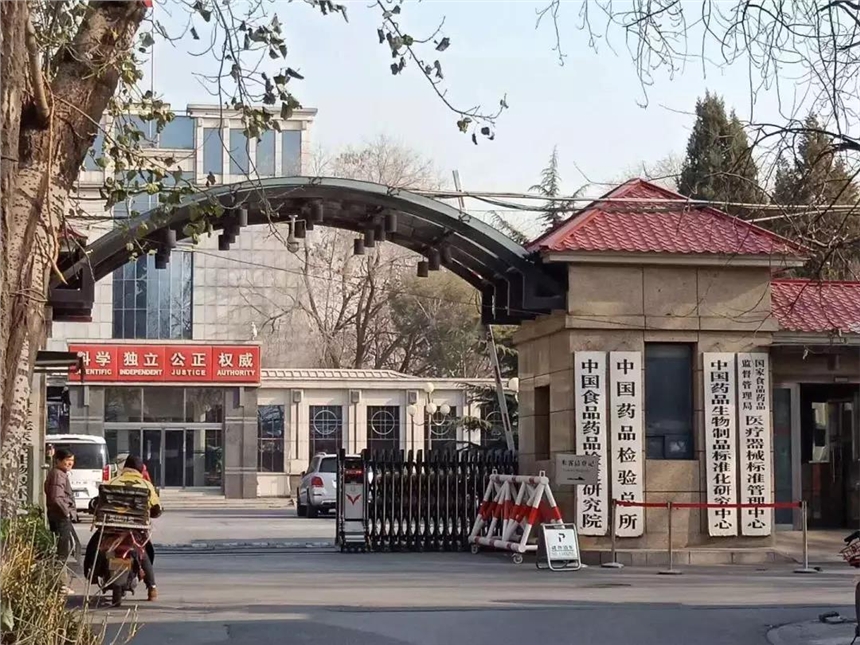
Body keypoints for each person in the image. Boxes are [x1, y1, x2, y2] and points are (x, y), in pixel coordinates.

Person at [101, 455, 162, 601]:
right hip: (136, 531)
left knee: (96, 548)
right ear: (140, 469)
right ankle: (152, 587)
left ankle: (95, 572)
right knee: (144, 553)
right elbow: (156, 507)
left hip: (112, 529)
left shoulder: (112, 482)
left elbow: (99, 502)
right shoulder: (146, 485)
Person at [44, 449, 77, 593]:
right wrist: (67, 513)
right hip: (60, 518)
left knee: (62, 550)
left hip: (59, 516)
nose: (70, 463)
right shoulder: (58, 474)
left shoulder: (59, 473)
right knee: (62, 551)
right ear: (58, 461)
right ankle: (60, 584)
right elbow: (56, 498)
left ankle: (59, 583)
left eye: (72, 461)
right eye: (67, 460)